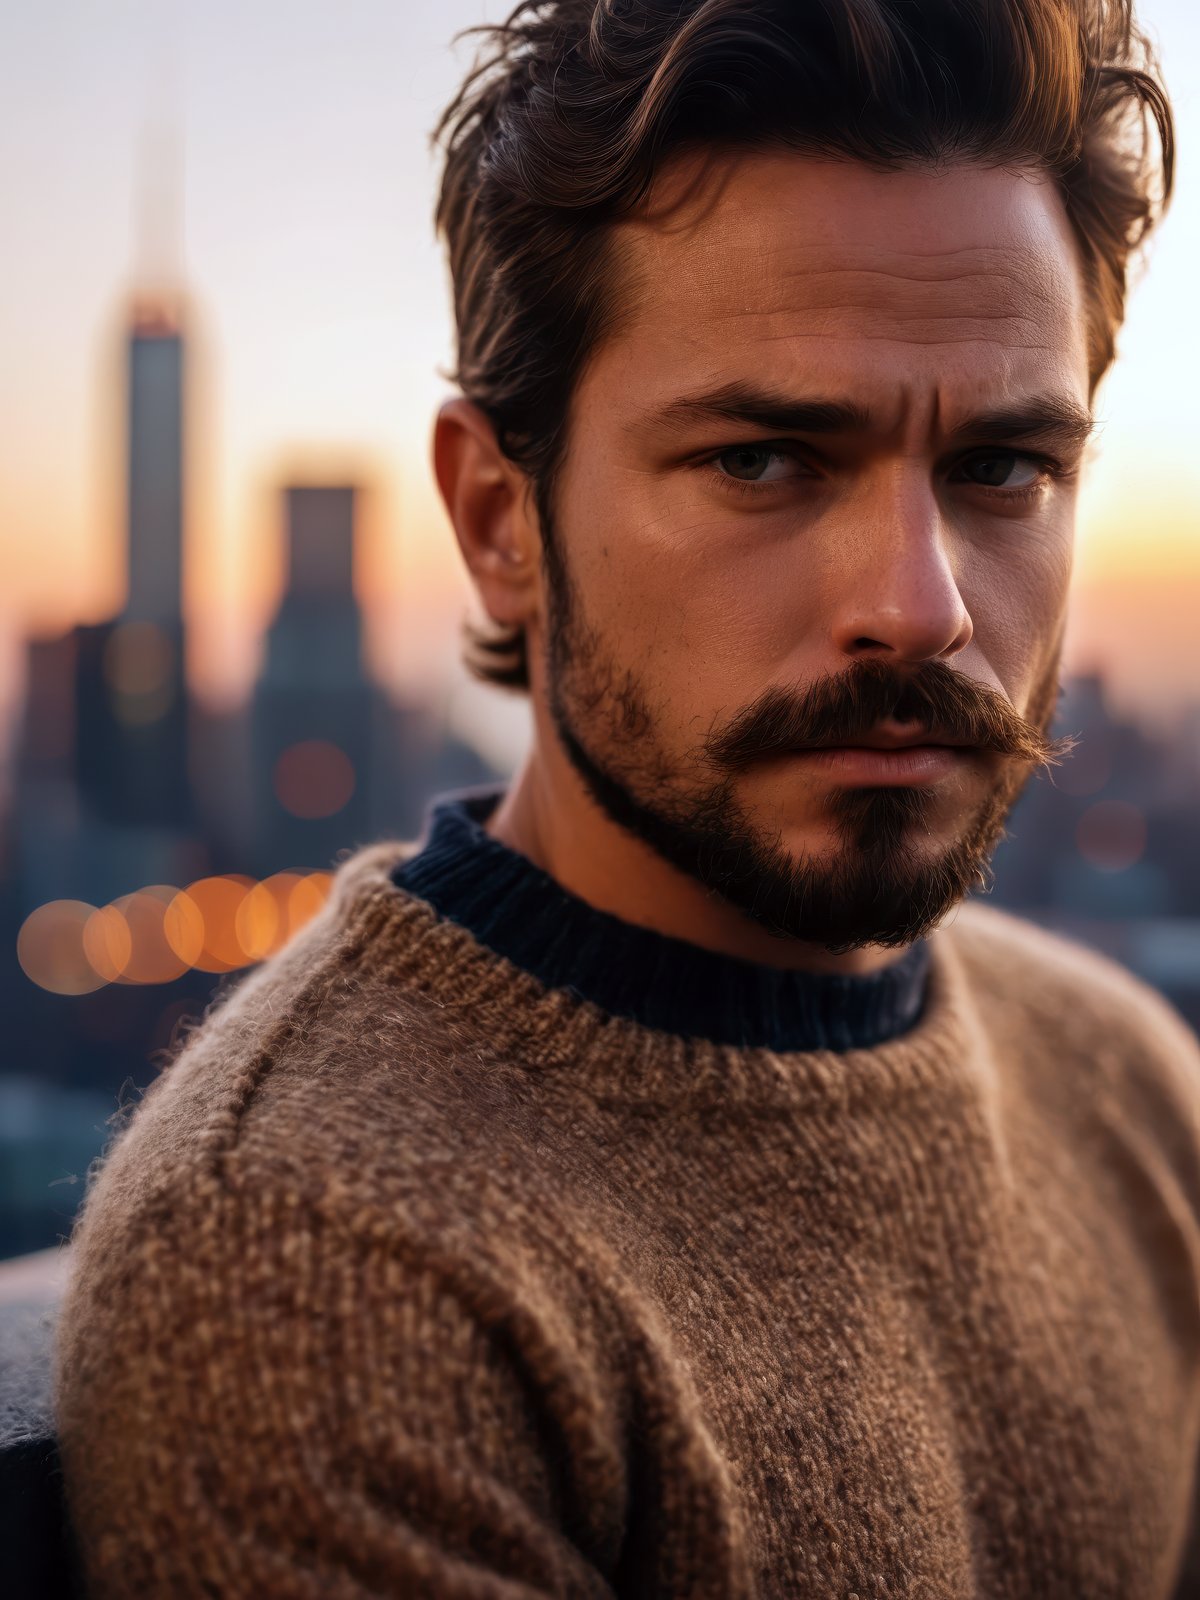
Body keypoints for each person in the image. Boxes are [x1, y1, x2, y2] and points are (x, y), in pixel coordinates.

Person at [53, 1, 1200, 1595]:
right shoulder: (320, 1264)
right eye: (763, 460)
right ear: (500, 519)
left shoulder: (1132, 1089)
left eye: (1003, 468)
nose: (920, 604)